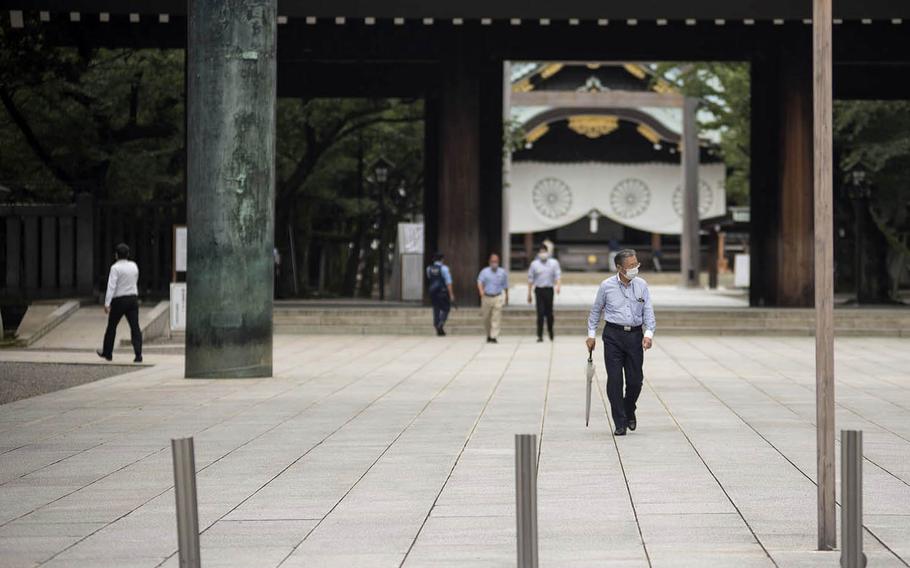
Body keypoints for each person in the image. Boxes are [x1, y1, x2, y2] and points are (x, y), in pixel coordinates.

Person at [585, 249, 655, 436]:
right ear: (619, 268)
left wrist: (648, 334)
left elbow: (648, 312)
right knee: (615, 380)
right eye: (631, 266)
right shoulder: (606, 286)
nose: (635, 268)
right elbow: (595, 312)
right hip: (613, 335)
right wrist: (591, 335)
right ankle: (619, 421)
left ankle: (629, 407)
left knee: (635, 381)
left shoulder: (642, 285)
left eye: (636, 264)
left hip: (634, 336)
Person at [97, 243, 142, 363]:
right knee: (135, 327)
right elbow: (135, 279)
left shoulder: (115, 268)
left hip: (119, 300)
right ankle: (138, 354)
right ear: (128, 254)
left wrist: (107, 303)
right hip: (133, 299)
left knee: (112, 326)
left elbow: (111, 286)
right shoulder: (134, 266)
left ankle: (108, 353)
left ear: (116, 255)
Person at [527, 244, 561, 342]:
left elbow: (557, 275)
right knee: (540, 313)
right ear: (538, 253)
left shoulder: (553, 263)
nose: (543, 254)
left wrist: (558, 286)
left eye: (544, 252)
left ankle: (550, 331)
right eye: (541, 252)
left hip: (549, 290)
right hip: (539, 290)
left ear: (547, 252)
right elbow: (530, 279)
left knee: (549, 313)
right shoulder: (534, 264)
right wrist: (529, 294)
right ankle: (540, 335)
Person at [477, 253, 509, 343]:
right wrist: (481, 291)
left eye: (496, 261)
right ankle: (488, 334)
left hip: (497, 296)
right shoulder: (484, 272)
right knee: (486, 318)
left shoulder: (502, 272)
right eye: (492, 261)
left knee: (496, 317)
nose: (494, 263)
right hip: (486, 297)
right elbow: (479, 282)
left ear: (498, 262)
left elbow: (505, 285)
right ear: (489, 262)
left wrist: (507, 296)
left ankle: (494, 336)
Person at [426, 252, 455, 336]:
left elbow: (429, 278)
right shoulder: (444, 268)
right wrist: (451, 294)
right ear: (442, 259)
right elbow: (448, 282)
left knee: (436, 309)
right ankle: (440, 323)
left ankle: (436, 325)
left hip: (432, 292)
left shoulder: (429, 268)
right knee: (446, 308)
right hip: (442, 291)